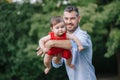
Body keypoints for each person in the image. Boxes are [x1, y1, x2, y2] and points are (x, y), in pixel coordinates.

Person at [37, 6, 96, 80]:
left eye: (72, 18)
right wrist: (52, 54)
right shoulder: (60, 38)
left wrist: (52, 43)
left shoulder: (83, 36)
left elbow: (72, 44)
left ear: (79, 19)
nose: (69, 22)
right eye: (66, 18)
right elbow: (57, 64)